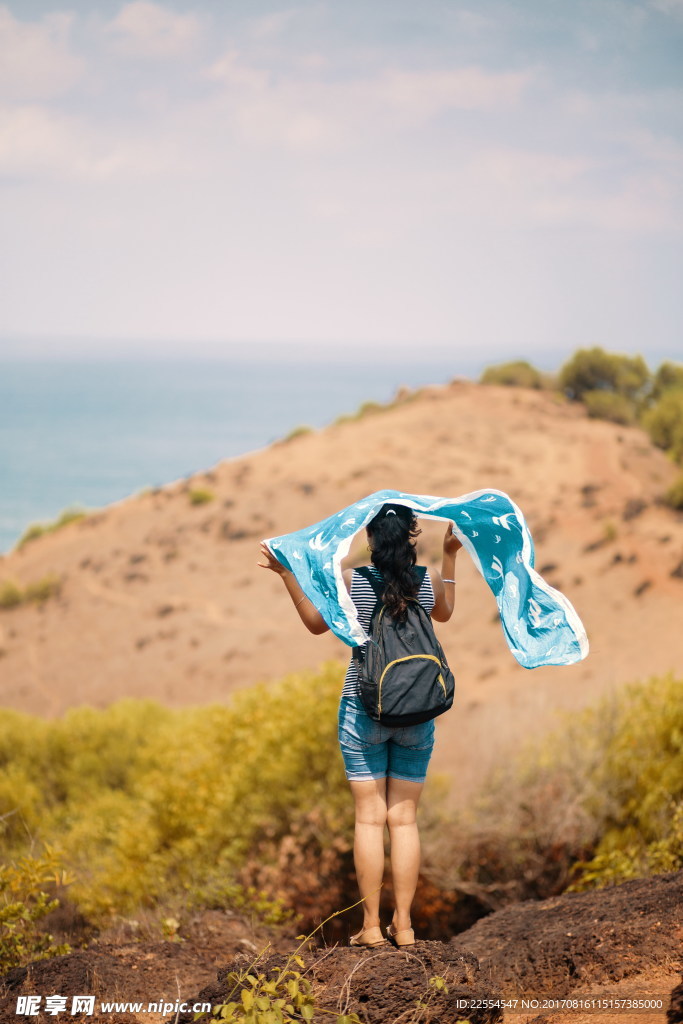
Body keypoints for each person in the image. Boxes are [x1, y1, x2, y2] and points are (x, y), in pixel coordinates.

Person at [257, 502, 461, 948]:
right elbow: (443, 614)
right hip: (419, 712)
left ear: (369, 537)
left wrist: (286, 574)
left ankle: (370, 928)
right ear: (412, 532)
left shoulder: (355, 583)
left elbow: (314, 624)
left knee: (369, 820)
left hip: (363, 707)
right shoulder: (424, 581)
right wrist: (450, 555)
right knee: (403, 820)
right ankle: (404, 927)